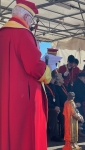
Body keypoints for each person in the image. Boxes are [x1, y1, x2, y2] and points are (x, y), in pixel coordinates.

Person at [0, 1, 51, 150]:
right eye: (31, 20)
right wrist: (48, 71)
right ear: (26, 16)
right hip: (22, 98)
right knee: (25, 139)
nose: (30, 24)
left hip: (4, 95)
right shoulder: (23, 34)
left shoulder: (2, 34)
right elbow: (35, 67)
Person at [45, 70, 63, 142]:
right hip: (48, 106)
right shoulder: (44, 85)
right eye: (53, 78)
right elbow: (45, 99)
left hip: (55, 106)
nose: (54, 80)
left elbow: (56, 96)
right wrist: (54, 107)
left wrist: (58, 106)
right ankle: (54, 135)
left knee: (63, 111)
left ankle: (63, 132)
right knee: (53, 113)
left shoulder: (52, 86)